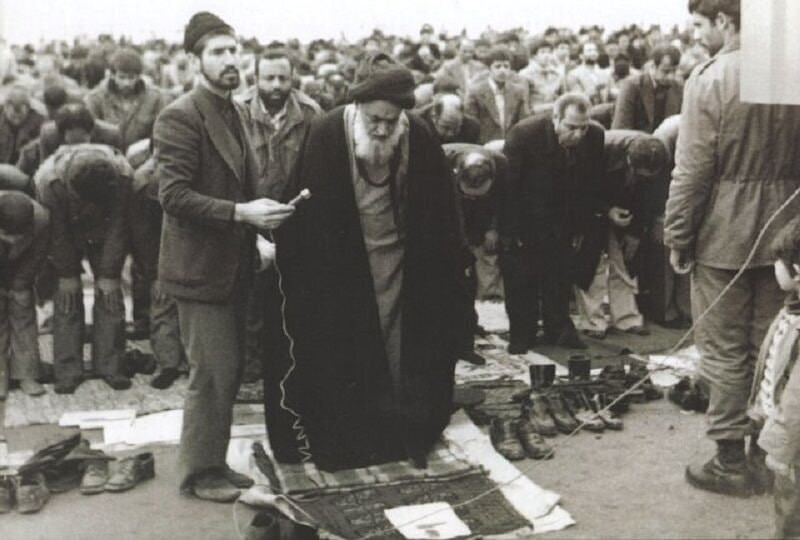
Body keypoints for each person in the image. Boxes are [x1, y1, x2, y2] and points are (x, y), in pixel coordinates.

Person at [276, 53, 465, 471]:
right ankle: (356, 435)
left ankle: (405, 429)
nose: (382, 129)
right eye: (374, 119)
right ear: (357, 106)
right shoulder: (327, 132)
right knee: (346, 350)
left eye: (390, 121)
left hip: (402, 265)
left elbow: (441, 215)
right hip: (344, 268)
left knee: (404, 348)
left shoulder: (418, 134)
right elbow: (307, 214)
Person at [154, 11, 294, 502]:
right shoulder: (180, 116)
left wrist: (256, 233)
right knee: (212, 373)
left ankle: (212, 461)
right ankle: (199, 474)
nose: (230, 59)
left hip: (232, 264)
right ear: (196, 61)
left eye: (234, 50)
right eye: (217, 52)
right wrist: (242, 214)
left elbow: (239, 183)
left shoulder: (233, 110)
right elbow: (173, 195)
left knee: (228, 370)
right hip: (198, 270)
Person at [664, 0, 800, 497]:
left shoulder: (712, 77)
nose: (698, 35)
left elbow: (693, 169)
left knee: (723, 351)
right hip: (786, 233)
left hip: (724, 235)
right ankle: (766, 457)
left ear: (725, 21)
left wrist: (678, 234)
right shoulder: (789, 71)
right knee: (771, 346)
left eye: (701, 25)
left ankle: (729, 460)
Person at [237, 45, 322, 447]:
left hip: (293, 218)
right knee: (248, 299)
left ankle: (286, 374)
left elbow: (319, 167)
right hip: (250, 216)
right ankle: (250, 370)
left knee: (288, 301)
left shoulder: (311, 114)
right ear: (255, 77)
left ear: (293, 79)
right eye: (268, 78)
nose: (275, 86)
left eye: (282, 78)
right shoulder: (237, 112)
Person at [501, 93, 604, 354]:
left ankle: (559, 329)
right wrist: (510, 231)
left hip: (564, 218)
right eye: (571, 127)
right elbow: (508, 187)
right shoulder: (524, 135)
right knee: (522, 281)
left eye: (583, 128)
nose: (578, 135)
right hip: (527, 217)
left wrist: (582, 226)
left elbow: (591, 184)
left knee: (559, 278)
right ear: (555, 118)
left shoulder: (595, 136)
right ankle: (522, 333)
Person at [34, 143, 132, 394]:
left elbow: (118, 226)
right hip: (65, 227)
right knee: (67, 294)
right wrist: (67, 271)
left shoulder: (122, 177)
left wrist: (109, 272)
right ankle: (67, 369)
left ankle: (111, 366)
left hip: (105, 229)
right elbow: (56, 234)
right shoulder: (49, 182)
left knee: (110, 293)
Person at [86, 47, 169, 339]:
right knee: (109, 258)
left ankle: (146, 321)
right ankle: (111, 326)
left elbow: (164, 135)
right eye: (122, 76)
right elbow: (90, 138)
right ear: (111, 74)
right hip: (108, 186)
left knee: (147, 256)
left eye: (132, 77)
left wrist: (147, 165)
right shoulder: (94, 99)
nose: (126, 82)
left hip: (143, 183)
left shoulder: (157, 98)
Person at [573, 130, 668, 339]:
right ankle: (592, 321)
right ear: (629, 161)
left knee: (625, 262)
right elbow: (581, 190)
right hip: (591, 208)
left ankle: (626, 318)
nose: (641, 179)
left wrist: (636, 233)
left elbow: (650, 198)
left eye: (646, 177)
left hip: (628, 209)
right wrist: (607, 210)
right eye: (638, 174)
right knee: (592, 265)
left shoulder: (659, 156)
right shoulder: (597, 149)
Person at [749, 216, 800, 538]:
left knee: (791, 509)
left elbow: (796, 400)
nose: (774, 269)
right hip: (788, 435)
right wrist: (760, 407)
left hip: (794, 444)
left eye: (778, 263)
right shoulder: (791, 311)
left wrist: (782, 449)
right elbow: (772, 366)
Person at [444, 142, 508, 364]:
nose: (473, 196)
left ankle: (469, 326)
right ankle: (457, 335)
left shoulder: (501, 165)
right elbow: (452, 211)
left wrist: (493, 228)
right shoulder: (443, 161)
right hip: (449, 219)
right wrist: (461, 245)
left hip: (482, 217)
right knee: (458, 277)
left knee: (471, 281)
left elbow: (503, 200)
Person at [0, 191, 48, 398]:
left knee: (23, 310)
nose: (15, 240)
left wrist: (20, 284)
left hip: (23, 263)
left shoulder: (41, 219)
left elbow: (37, 255)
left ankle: (27, 374)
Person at [611, 45, 683, 133]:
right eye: (666, 71)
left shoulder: (678, 88)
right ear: (652, 66)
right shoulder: (631, 87)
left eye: (674, 71)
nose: (671, 77)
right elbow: (620, 130)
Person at [466, 47, 529, 144]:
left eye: (506, 66)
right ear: (489, 68)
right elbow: (471, 125)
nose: (502, 71)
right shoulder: (476, 92)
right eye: (497, 66)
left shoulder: (518, 91)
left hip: (511, 144)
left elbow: (523, 122)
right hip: (484, 145)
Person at [0, 86, 44, 165]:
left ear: (28, 109)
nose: (16, 121)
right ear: (5, 108)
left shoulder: (39, 120)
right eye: (13, 117)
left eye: (20, 117)